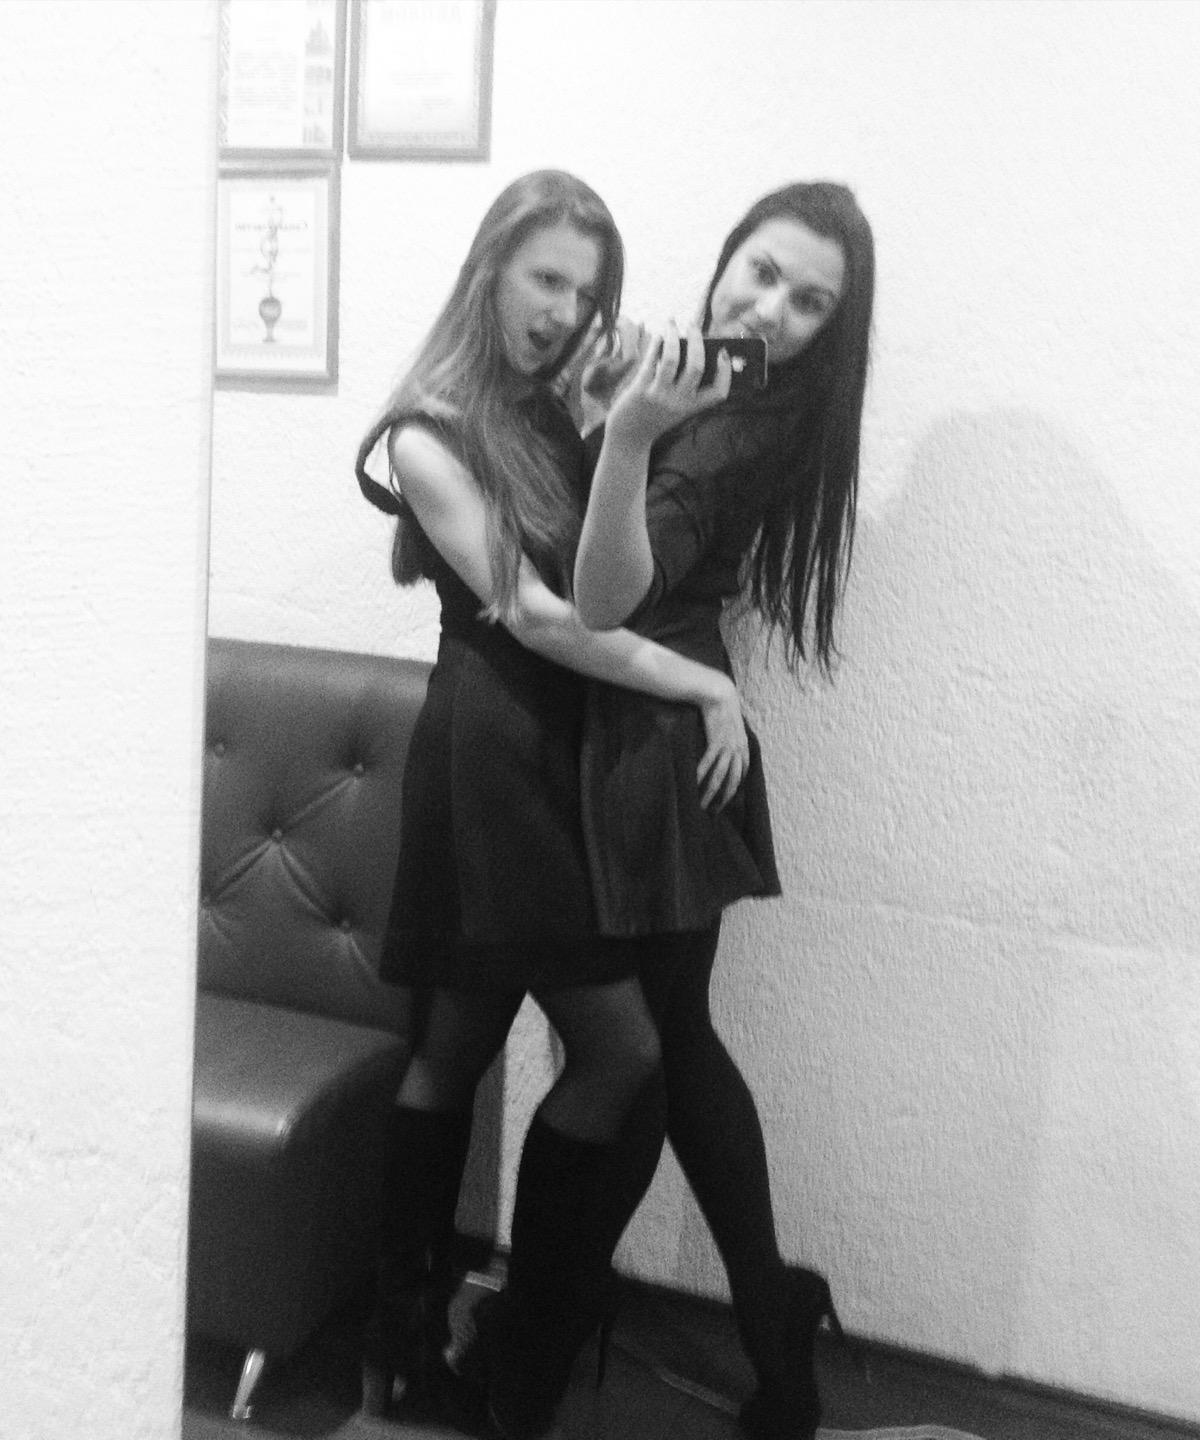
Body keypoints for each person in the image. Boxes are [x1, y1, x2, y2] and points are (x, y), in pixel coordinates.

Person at [353, 169, 751, 1437]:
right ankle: (473, 1330)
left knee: (461, 1041)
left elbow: (607, 577)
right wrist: (702, 683)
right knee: (617, 1050)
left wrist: (619, 420)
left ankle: (423, 1341)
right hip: (492, 752)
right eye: (546, 278)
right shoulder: (424, 429)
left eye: (587, 291)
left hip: (553, 747)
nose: (566, 310)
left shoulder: (541, 411)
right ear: (490, 269)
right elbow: (533, 613)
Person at [569, 179, 876, 1440]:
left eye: (810, 302)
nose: (772, 309)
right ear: (725, 256)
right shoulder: (711, 393)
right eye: (762, 271)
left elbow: (611, 594)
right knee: (662, 1047)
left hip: (657, 746)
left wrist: (628, 436)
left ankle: (618, 1312)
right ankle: (763, 1314)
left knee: (654, 1051)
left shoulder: (740, 429)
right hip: (659, 727)